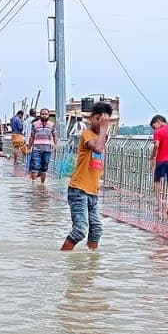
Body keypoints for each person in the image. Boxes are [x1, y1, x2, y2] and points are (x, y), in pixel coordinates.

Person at [61, 103, 112, 251]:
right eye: (98, 119)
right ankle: (63, 258)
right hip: (78, 190)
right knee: (80, 230)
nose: (101, 123)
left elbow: (100, 154)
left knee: (96, 230)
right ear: (91, 119)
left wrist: (104, 130)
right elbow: (96, 147)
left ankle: (91, 261)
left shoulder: (102, 137)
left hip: (92, 191)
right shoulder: (87, 135)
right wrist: (103, 128)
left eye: (104, 121)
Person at [28, 108, 57, 182]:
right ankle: (33, 184)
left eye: (46, 114)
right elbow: (32, 136)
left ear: (48, 115)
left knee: (44, 168)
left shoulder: (52, 125)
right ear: (40, 115)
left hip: (47, 149)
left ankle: (42, 184)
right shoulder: (35, 124)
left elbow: (54, 136)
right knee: (35, 166)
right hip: (36, 149)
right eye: (42, 114)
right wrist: (29, 147)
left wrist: (55, 144)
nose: (44, 115)